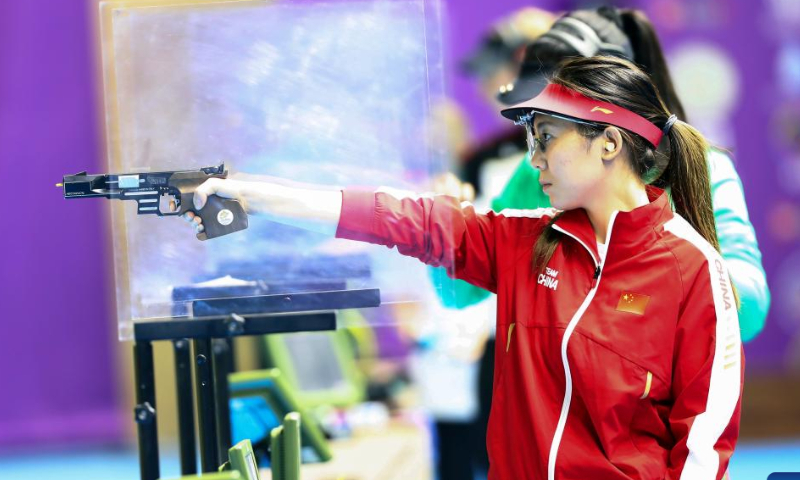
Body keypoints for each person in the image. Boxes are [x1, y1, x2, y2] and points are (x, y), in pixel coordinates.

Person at [181, 56, 743, 480]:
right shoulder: (526, 240)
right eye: (531, 140)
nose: (534, 158)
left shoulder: (693, 267)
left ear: (610, 143)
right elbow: (393, 217)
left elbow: (705, 438)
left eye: (546, 138)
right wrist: (253, 195)